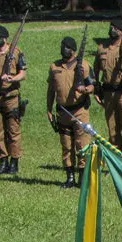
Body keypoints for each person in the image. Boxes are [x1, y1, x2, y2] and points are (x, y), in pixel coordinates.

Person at [46, 36, 95, 189]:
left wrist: (85, 90)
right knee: (66, 146)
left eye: (66, 46)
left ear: (73, 50)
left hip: (79, 111)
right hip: (62, 112)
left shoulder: (84, 66)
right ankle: (70, 177)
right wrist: (48, 108)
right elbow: (51, 89)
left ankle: (82, 177)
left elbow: (92, 85)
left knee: (82, 145)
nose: (63, 49)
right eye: (62, 46)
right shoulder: (54, 67)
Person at [93, 19, 122, 160]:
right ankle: (116, 160)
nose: (112, 29)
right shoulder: (102, 48)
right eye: (111, 26)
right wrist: (96, 89)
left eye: (116, 27)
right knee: (112, 129)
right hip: (108, 93)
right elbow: (95, 71)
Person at [0, 25, 27, 175]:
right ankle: (2, 160)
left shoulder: (15, 52)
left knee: (13, 131)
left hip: (11, 97)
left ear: (4, 38)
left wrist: (12, 78)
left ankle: (14, 161)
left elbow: (23, 73)